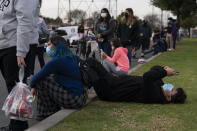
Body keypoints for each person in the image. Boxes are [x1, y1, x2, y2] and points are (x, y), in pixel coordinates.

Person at [30, 36, 87, 121]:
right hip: (81, 97)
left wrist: (32, 86)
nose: (48, 48)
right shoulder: (72, 57)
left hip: (74, 100)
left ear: (56, 46)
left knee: (42, 81)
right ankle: (50, 110)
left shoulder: (57, 61)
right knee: (49, 78)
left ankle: (46, 113)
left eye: (49, 45)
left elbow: (36, 77)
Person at [0, 0, 37, 130]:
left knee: (18, 88)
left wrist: (21, 51)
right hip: (5, 44)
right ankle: (15, 125)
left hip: (17, 44)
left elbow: (25, 20)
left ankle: (19, 126)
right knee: (12, 89)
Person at [86, 58, 187, 104]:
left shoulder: (154, 95)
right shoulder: (160, 85)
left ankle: (80, 88)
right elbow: (153, 68)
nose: (171, 86)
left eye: (173, 89)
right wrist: (164, 68)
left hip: (109, 91)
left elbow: (148, 76)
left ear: (169, 98)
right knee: (91, 63)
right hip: (113, 81)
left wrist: (164, 73)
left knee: (88, 66)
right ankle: (86, 82)